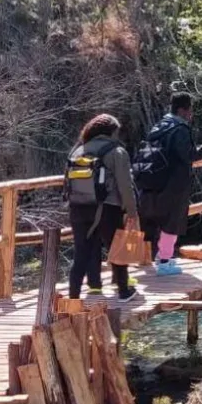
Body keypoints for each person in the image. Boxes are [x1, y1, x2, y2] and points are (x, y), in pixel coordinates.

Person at [133, 91, 202, 275]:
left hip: (151, 181)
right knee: (172, 221)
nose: (191, 114)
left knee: (153, 221)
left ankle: (154, 258)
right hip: (173, 184)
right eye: (190, 110)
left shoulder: (159, 126)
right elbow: (188, 154)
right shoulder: (180, 129)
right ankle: (164, 261)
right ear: (182, 110)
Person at [64, 113, 142, 303]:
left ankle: (73, 297)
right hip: (108, 206)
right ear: (112, 132)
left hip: (78, 207)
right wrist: (132, 211)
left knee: (81, 251)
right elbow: (125, 184)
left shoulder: (78, 150)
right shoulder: (116, 151)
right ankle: (124, 291)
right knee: (117, 247)